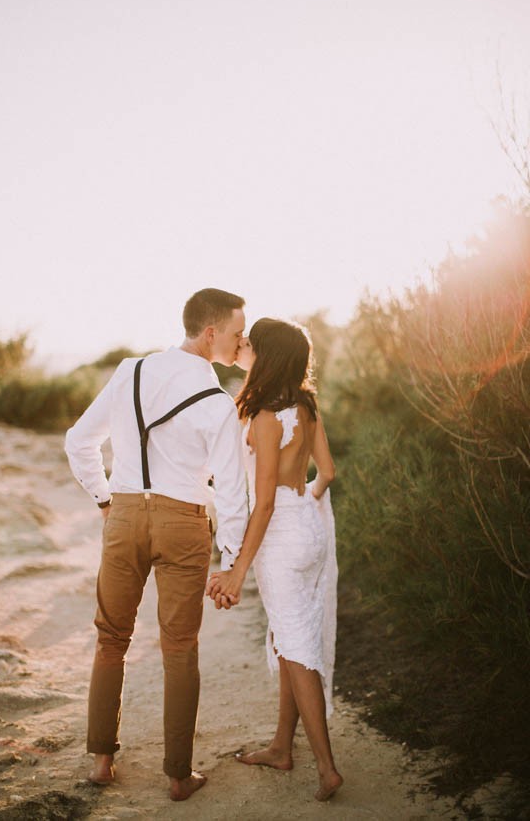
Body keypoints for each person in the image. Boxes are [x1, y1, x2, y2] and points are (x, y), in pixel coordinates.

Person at [65, 288, 248, 801]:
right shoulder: (218, 403)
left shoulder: (130, 371)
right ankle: (177, 776)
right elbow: (232, 492)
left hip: (123, 515)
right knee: (180, 648)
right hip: (183, 523)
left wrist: (106, 500)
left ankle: (102, 762)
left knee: (111, 639)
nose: (241, 342)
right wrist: (231, 561)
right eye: (237, 333)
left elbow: (78, 441)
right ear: (210, 332)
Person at [206, 317, 343, 801]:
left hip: (280, 537)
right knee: (291, 638)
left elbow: (262, 502)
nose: (246, 350)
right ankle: (282, 747)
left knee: (297, 648)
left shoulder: (265, 418)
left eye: (252, 346)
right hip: (308, 525)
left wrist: (237, 569)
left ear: (268, 356)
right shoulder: (304, 405)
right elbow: (325, 471)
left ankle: (327, 768)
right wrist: (304, 501)